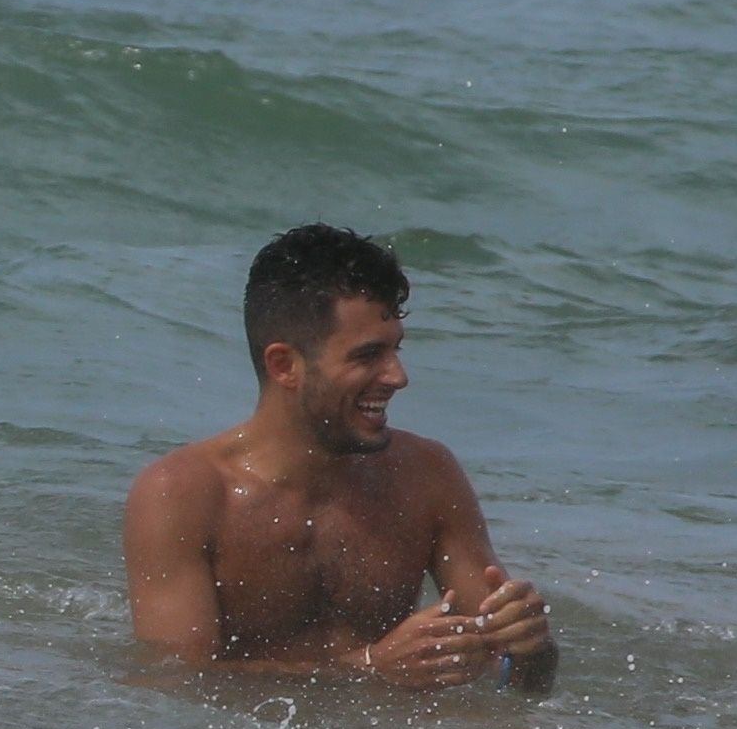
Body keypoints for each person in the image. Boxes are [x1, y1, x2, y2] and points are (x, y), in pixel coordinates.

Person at [122, 225, 558, 692]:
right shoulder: (184, 494)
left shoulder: (427, 476)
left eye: (396, 349)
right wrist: (368, 667)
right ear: (284, 365)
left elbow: (516, 680)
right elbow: (172, 682)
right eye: (369, 355)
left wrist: (530, 648)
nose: (397, 376)